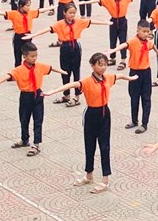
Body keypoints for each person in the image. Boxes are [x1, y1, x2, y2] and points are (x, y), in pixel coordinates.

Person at [43, 53, 136, 193]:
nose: (103, 67)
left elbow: (120, 76)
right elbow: (73, 84)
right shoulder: (87, 81)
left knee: (104, 147)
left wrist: (130, 78)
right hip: (91, 114)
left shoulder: (108, 78)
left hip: (105, 114)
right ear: (92, 65)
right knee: (89, 145)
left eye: (105, 64)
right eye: (100, 64)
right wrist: (54, 91)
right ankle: (89, 175)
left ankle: (105, 180)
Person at [0, 41, 68, 156]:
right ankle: (24, 139)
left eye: (36, 56)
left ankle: (36, 144)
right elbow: (8, 75)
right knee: (24, 119)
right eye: (32, 56)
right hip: (25, 96)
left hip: (38, 95)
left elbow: (50, 68)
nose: (34, 58)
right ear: (24, 56)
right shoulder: (19, 70)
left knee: (38, 120)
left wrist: (62, 72)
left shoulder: (39, 66)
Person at [35, 4, 111, 107]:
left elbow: (90, 21)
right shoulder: (60, 24)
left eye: (74, 13)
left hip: (75, 47)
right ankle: (66, 95)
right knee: (65, 72)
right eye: (70, 13)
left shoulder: (78, 22)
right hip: (65, 47)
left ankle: (77, 97)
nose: (72, 15)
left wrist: (105, 23)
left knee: (76, 72)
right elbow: (48, 29)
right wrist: (33, 35)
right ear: (64, 13)